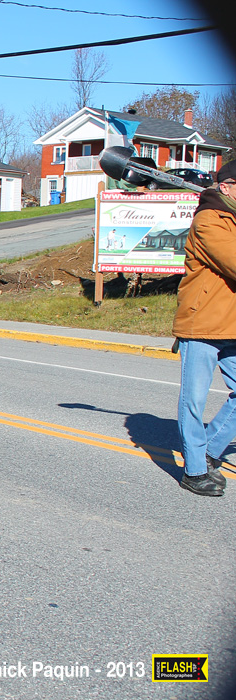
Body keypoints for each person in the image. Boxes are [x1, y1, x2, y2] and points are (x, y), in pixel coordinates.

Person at [172, 160, 236, 497]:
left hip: (232, 324)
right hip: (203, 323)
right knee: (193, 401)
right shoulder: (209, 220)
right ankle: (194, 471)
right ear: (226, 187)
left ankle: (209, 449)